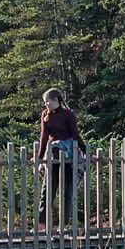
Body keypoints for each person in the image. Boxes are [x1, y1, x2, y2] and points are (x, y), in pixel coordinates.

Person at [36, 88, 86, 228]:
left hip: (68, 156)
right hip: (53, 155)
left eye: (48, 101)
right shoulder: (45, 115)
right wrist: (40, 157)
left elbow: (75, 134)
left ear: (56, 100)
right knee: (47, 191)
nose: (46, 104)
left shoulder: (68, 115)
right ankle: (41, 225)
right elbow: (44, 137)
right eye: (45, 102)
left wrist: (84, 150)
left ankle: (62, 226)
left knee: (67, 193)